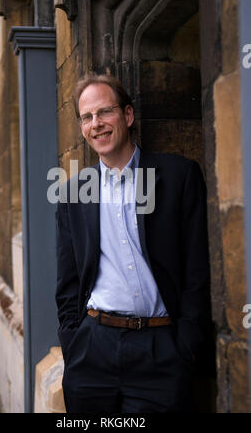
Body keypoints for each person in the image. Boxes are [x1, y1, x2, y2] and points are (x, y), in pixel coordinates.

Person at [55, 74, 212, 413]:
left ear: (127, 116)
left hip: (161, 351)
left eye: (104, 112)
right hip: (92, 352)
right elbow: (68, 282)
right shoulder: (72, 193)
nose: (96, 124)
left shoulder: (178, 175)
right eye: (87, 117)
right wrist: (72, 341)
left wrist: (186, 344)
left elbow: (198, 268)